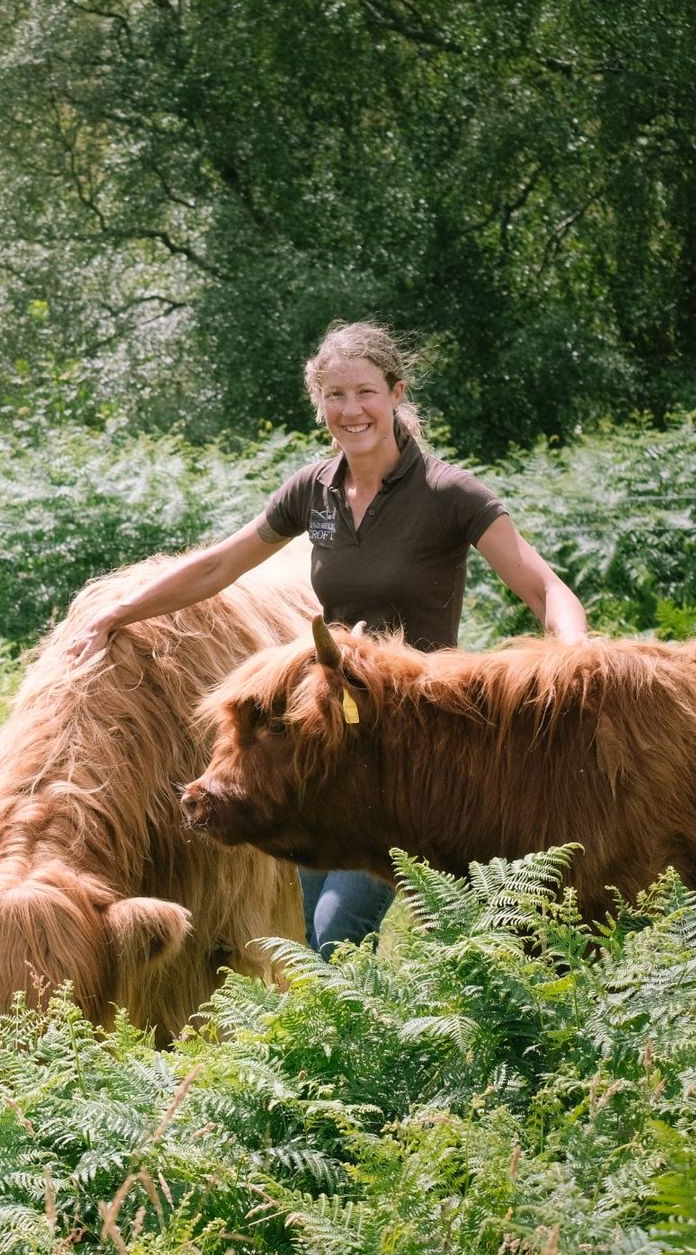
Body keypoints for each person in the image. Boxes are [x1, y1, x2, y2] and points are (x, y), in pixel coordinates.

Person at [67, 322, 587, 955]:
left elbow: (546, 591)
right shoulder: (311, 490)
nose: (351, 410)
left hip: (415, 743)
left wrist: (573, 662)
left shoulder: (449, 494)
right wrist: (114, 614)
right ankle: (351, 1042)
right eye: (334, 396)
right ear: (320, 405)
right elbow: (216, 566)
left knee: (353, 928)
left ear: (396, 393)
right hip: (325, 737)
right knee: (315, 932)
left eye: (365, 392)